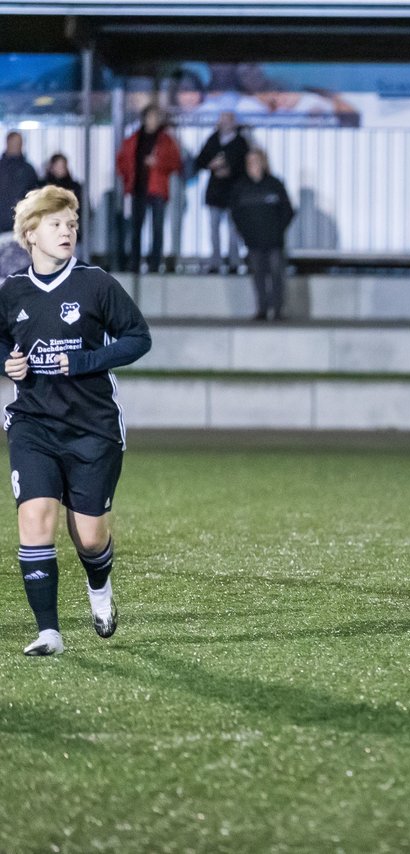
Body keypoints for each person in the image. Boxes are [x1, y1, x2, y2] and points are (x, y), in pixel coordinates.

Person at [1, 185, 152, 655]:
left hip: (93, 427)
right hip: (33, 423)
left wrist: (87, 361)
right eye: (56, 224)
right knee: (35, 519)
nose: (67, 232)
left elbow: (138, 338)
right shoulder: (11, 290)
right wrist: (8, 363)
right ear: (30, 233)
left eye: (71, 224)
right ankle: (49, 631)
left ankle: (99, 590)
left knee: (90, 536)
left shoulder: (96, 284)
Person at [115, 105, 183, 273]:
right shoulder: (133, 139)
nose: (153, 121)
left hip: (157, 190)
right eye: (150, 117)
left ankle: (154, 265)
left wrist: (158, 163)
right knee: (136, 228)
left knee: (157, 229)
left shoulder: (166, 141)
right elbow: (122, 161)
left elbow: (175, 163)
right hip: (138, 189)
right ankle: (135, 263)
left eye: (156, 118)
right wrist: (128, 177)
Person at [230, 148, 294, 321]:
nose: (253, 165)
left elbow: (288, 211)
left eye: (256, 161)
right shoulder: (241, 187)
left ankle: (278, 310)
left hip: (274, 241)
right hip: (253, 241)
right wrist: (245, 233)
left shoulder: (274, 184)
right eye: (249, 162)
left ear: (263, 162)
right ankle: (262, 309)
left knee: (276, 275)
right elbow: (236, 214)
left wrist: (277, 229)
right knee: (258, 275)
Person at [194, 112, 250, 273]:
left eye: (228, 120)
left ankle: (234, 261)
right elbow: (200, 160)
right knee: (214, 230)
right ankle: (215, 262)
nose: (225, 124)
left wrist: (229, 170)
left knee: (233, 231)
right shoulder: (213, 140)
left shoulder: (240, 142)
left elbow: (245, 165)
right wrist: (211, 165)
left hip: (233, 193)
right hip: (215, 192)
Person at [1, 131, 40, 235]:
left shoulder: (28, 170)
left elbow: (35, 197)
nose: (16, 146)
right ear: (7, 143)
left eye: (18, 143)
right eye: (14, 142)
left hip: (21, 227)